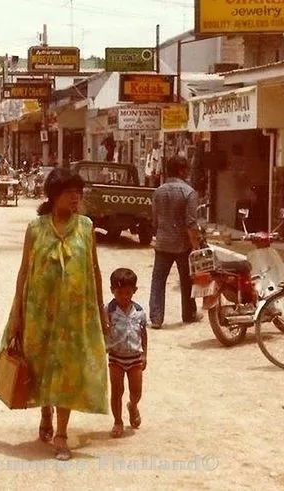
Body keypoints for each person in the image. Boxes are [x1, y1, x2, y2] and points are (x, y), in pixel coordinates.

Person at [1, 167, 110, 461]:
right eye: (70, 193)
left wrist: (101, 311)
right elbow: (24, 271)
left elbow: (94, 271)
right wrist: (17, 314)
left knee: (67, 371)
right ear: (54, 195)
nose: (76, 198)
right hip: (39, 314)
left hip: (75, 319)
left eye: (79, 192)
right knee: (41, 366)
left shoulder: (86, 227)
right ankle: (46, 413)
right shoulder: (36, 228)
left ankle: (61, 434)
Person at [149, 155, 203, 329]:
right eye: (186, 169)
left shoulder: (159, 191)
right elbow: (191, 223)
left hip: (162, 242)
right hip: (183, 244)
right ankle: (188, 314)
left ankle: (156, 318)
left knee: (158, 281)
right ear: (181, 170)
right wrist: (196, 246)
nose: (188, 172)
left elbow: (155, 220)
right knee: (187, 280)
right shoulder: (189, 192)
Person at [104, 268, 147, 439]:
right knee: (117, 390)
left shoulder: (139, 311)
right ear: (112, 291)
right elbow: (101, 328)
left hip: (135, 357)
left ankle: (133, 406)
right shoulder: (108, 310)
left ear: (134, 291)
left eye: (128, 293)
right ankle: (117, 421)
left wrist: (145, 355)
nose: (123, 296)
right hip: (116, 357)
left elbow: (143, 333)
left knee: (136, 391)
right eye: (119, 293)